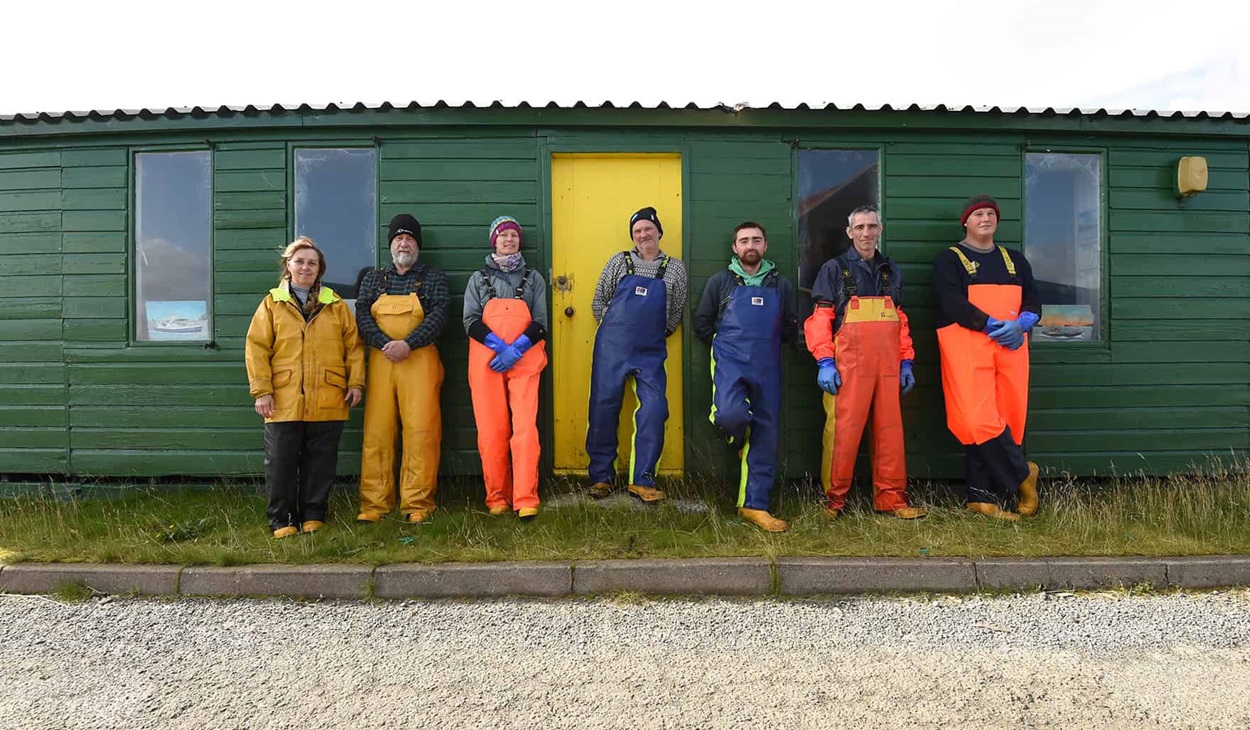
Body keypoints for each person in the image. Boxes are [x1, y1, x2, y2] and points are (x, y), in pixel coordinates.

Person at [805, 205, 927, 520]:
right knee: (842, 432)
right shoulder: (833, 269)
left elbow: (900, 319)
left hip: (888, 365)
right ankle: (833, 502)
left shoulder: (891, 270)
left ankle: (891, 498)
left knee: (890, 432)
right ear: (849, 232)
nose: (866, 233)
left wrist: (906, 361)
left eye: (872, 226)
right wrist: (824, 360)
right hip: (847, 366)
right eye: (859, 227)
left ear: (880, 230)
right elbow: (820, 317)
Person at [245, 237, 364, 538]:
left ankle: (314, 515)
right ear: (288, 265)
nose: (305, 267)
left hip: (328, 394)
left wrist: (356, 382)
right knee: (281, 463)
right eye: (299, 261)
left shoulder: (335, 305)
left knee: (320, 462)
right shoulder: (272, 303)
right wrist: (262, 390)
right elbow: (257, 347)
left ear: (319, 269)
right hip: (283, 398)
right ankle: (281, 519)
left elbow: (353, 347)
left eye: (312, 263)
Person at [933, 194, 1041, 521]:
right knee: (975, 419)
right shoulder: (950, 259)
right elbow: (950, 301)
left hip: (1011, 347)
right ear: (965, 222)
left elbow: (1034, 304)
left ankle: (981, 496)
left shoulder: (1016, 261)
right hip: (968, 344)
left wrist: (1022, 324)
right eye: (978, 214)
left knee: (1009, 417)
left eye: (990, 214)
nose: (985, 219)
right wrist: (988, 323)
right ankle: (1023, 475)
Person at [693, 222, 798, 532]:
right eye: (743, 240)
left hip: (768, 364)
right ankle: (737, 437)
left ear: (765, 246)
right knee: (728, 414)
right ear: (735, 248)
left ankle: (755, 505)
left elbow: (790, 323)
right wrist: (725, 345)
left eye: (756, 240)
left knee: (766, 432)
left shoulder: (781, 284)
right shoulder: (720, 281)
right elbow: (702, 322)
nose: (750, 245)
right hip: (729, 361)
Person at [585, 207, 688, 503]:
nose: (643, 234)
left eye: (648, 229)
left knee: (655, 409)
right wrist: (617, 325)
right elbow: (598, 301)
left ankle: (642, 479)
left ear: (659, 232)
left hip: (650, 352)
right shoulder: (619, 262)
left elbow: (675, 313)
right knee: (603, 408)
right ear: (633, 236)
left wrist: (653, 333)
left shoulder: (674, 269)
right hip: (612, 348)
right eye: (638, 231)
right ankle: (601, 477)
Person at [355, 213, 450, 524]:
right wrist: (385, 343)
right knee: (377, 433)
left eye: (410, 239)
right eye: (399, 238)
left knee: (421, 431)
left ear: (417, 245)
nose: (404, 243)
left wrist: (408, 343)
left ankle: (418, 503)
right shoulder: (373, 279)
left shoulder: (433, 277)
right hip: (382, 361)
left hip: (419, 360)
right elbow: (362, 316)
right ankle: (374, 504)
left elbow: (439, 316)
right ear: (391, 244)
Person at [463, 216, 549, 520]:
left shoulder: (534, 278)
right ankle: (497, 497)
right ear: (494, 241)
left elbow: (541, 322)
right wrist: (499, 346)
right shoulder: (478, 279)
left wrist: (517, 349)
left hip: (525, 360)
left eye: (514, 234)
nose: (509, 239)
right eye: (503, 235)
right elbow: (469, 321)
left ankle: (526, 497)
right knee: (491, 430)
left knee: (525, 429)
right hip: (487, 360)